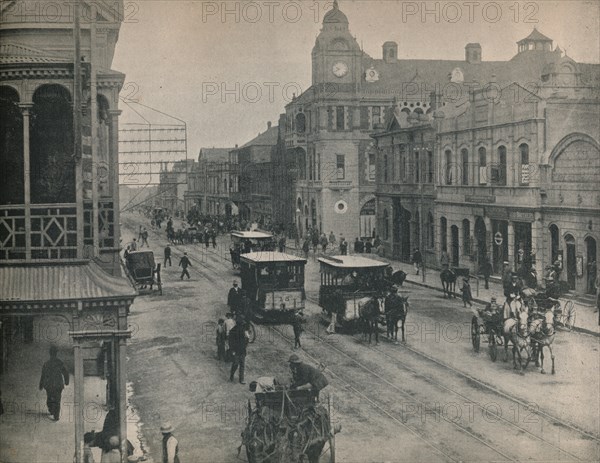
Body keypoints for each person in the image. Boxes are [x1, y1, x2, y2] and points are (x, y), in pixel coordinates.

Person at [39, 345, 69, 421]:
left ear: (50, 353)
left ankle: (52, 410)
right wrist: (66, 381)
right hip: (58, 385)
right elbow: (65, 372)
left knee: (49, 398)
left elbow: (43, 375)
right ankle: (56, 415)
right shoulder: (60, 363)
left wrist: (41, 385)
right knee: (57, 400)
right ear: (56, 353)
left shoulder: (46, 364)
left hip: (49, 385)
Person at [229, 317, 249, 384]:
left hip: (242, 351)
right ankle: (232, 375)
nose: (242, 326)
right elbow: (230, 342)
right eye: (242, 324)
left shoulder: (243, 331)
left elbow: (246, 340)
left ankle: (241, 379)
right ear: (238, 324)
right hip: (236, 351)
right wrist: (232, 351)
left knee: (242, 365)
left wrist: (245, 346)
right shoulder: (232, 331)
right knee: (235, 364)